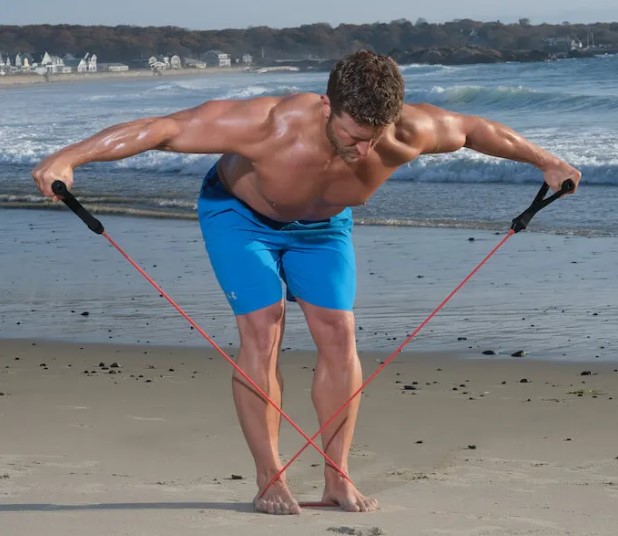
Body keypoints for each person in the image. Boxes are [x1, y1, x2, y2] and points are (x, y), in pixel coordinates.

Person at [32, 50, 581, 515]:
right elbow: (163, 129)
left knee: (340, 337)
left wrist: (546, 160)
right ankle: (270, 475)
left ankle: (337, 475)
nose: (364, 151)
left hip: (324, 229)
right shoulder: (267, 123)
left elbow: (474, 130)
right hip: (239, 217)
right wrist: (68, 158)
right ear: (327, 106)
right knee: (263, 331)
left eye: (375, 137)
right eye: (352, 135)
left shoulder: (406, 132)